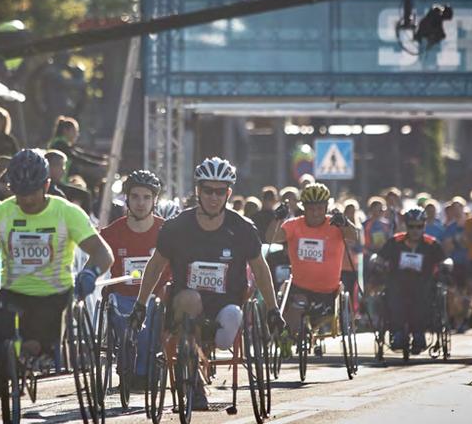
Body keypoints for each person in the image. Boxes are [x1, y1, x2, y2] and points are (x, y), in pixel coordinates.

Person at [128, 157, 285, 408]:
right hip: (186, 306)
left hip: (225, 307)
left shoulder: (242, 228)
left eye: (220, 191)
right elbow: (155, 266)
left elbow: (260, 269)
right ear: (198, 191)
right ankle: (191, 376)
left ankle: (202, 353)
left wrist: (272, 309)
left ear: (228, 193)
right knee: (190, 298)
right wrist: (140, 305)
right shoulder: (177, 227)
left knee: (232, 318)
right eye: (208, 190)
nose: (214, 197)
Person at [0, 148, 113, 366]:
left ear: (46, 185)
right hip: (12, 294)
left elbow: (103, 253)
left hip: (55, 296)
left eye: (32, 191)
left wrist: (91, 273)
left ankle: (32, 349)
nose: (27, 199)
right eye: (20, 192)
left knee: (39, 341)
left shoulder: (67, 212)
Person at [99, 170, 170, 382]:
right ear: (127, 199)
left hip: (158, 299)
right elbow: (95, 261)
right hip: (123, 298)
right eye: (135, 197)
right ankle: (129, 360)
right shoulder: (111, 233)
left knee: (151, 315)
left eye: (147, 197)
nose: (141, 203)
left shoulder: (166, 230)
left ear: (155, 200)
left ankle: (144, 368)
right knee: (123, 313)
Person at [265, 183, 359, 336]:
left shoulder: (335, 225)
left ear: (327, 207)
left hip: (329, 291)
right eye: (311, 209)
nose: (315, 213)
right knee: (292, 316)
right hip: (300, 288)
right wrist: (277, 219)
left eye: (320, 209)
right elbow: (270, 238)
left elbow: (355, 236)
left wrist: (346, 223)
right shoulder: (293, 225)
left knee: (312, 309)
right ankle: (288, 337)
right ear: (304, 208)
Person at [376, 208, 446, 353]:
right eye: (411, 226)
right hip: (398, 282)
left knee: (423, 295)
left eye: (419, 226)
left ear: (424, 226)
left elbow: (444, 260)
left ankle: (419, 334)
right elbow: (380, 257)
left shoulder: (431, 244)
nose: (415, 230)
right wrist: (376, 262)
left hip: (422, 283)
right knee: (393, 295)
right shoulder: (395, 241)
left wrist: (447, 264)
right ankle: (398, 333)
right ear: (406, 226)